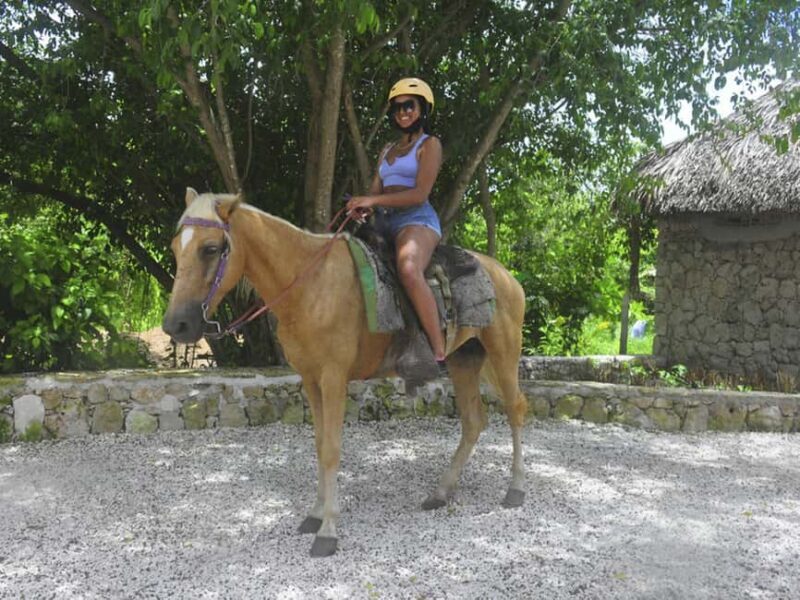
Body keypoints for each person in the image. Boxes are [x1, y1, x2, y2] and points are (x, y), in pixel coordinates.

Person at [346, 77, 446, 368]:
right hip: (384, 221)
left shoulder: (430, 145)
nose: (402, 112)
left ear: (423, 109)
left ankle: (438, 350)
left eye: (409, 106)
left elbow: (419, 194)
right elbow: (375, 192)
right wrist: (361, 209)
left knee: (409, 268)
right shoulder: (388, 150)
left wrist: (372, 202)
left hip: (416, 220)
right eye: (397, 107)